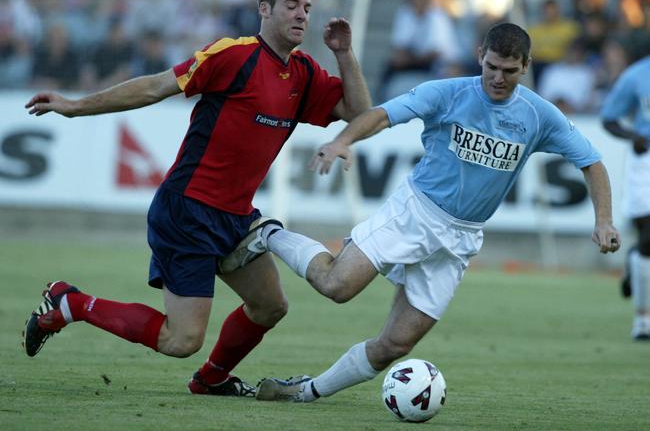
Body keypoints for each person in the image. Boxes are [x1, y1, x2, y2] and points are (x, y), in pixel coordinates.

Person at [222, 22, 622, 402]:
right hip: (415, 212)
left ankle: (306, 391)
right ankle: (267, 232)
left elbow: (592, 161)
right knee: (336, 287)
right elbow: (382, 114)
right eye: (492, 67)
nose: (498, 78)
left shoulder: (538, 115)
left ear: (526, 67)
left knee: (394, 345)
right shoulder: (447, 93)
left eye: (510, 71)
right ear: (479, 55)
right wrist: (344, 139)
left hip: (462, 238)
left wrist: (603, 219)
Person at [21, 0, 371, 397]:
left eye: (307, 8)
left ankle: (212, 379)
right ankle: (70, 303)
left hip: (237, 217)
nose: (302, 14)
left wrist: (345, 53)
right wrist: (76, 107)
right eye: (292, 4)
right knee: (181, 340)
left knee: (270, 305)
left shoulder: (304, 73)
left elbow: (358, 112)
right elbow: (155, 87)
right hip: (188, 210)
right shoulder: (233, 56)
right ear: (265, 8)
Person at [601, 54, 650, 340]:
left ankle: (635, 261)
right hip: (645, 161)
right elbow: (609, 118)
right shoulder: (637, 74)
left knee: (646, 245)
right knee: (648, 235)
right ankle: (643, 320)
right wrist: (634, 137)